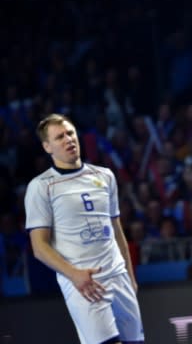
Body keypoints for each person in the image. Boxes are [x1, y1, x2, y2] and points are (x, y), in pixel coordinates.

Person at [24, 113, 144, 344]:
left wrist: (129, 275)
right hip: (82, 283)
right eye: (59, 137)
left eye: (70, 133)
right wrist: (74, 275)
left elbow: (117, 231)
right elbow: (39, 247)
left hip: (118, 276)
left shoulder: (105, 176)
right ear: (47, 146)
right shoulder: (41, 187)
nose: (68, 139)